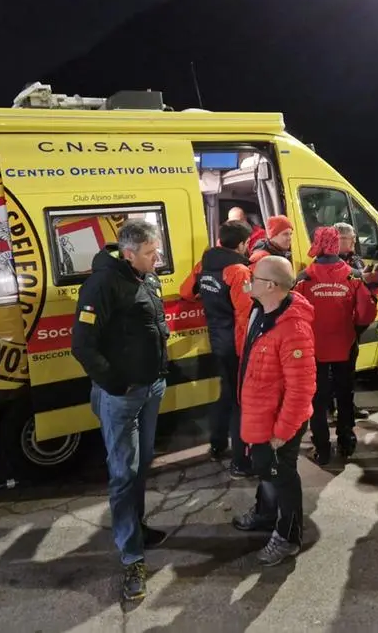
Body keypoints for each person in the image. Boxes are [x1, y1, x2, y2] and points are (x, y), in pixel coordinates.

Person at [72, 220, 170, 602]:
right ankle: (132, 557)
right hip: (123, 396)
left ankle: (138, 528)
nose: (157, 258)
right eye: (150, 253)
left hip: (150, 389)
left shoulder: (146, 276)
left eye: (156, 250)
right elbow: (83, 344)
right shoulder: (101, 285)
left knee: (141, 464)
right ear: (129, 254)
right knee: (124, 474)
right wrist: (116, 384)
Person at [232, 256, 316, 566]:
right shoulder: (260, 311)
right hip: (260, 416)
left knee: (283, 476)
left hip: (281, 424)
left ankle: (288, 536)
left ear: (270, 285)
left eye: (253, 277)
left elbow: (301, 388)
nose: (248, 281)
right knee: (266, 469)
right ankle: (266, 513)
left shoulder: (293, 328)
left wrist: (283, 432)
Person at [294, 227, 376, 465]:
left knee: (317, 398)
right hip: (345, 345)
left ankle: (321, 447)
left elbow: (295, 314)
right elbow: (366, 312)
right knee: (344, 391)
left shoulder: (304, 277)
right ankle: (346, 440)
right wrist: (354, 331)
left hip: (313, 348)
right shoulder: (353, 275)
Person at [181, 221, 254, 478]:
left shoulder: (205, 264)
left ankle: (217, 443)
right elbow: (245, 315)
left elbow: (186, 292)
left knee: (225, 394)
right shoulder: (238, 271)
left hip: (216, 339)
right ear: (243, 244)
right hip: (235, 344)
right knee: (239, 401)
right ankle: (240, 461)